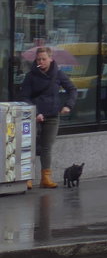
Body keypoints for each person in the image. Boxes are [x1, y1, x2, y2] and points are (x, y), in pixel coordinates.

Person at [18, 46, 76, 189]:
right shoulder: (31, 76)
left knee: (46, 148)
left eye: (44, 59)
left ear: (50, 59)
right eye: (39, 59)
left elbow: (72, 89)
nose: (41, 62)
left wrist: (68, 105)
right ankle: (27, 178)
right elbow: (25, 97)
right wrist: (35, 112)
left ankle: (46, 178)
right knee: (29, 147)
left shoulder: (58, 74)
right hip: (33, 116)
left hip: (52, 116)